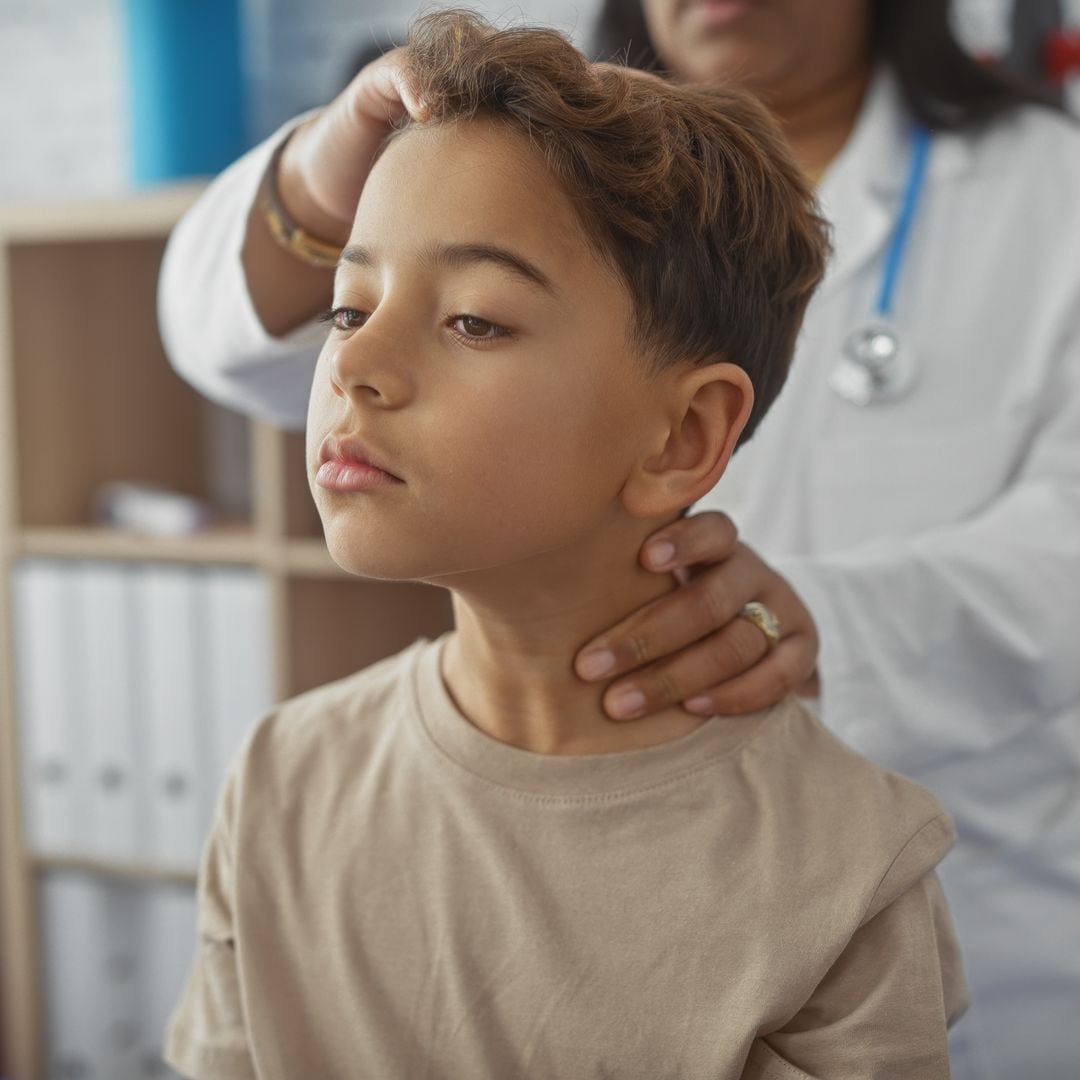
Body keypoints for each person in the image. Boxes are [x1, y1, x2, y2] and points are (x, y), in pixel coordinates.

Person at [157, 2, 1080, 1077]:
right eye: (349, 308)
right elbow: (222, 333)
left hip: (992, 907)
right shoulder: (281, 784)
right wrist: (364, 153)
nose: (358, 365)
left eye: (477, 320)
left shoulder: (855, 863)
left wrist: (842, 621)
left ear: (690, 437)